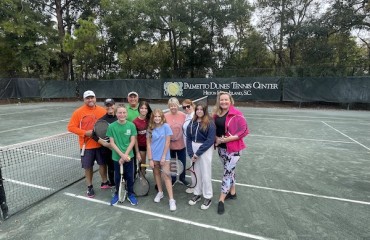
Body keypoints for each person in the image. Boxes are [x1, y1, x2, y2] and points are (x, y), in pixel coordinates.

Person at [213, 91, 249, 215]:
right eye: (221, 100)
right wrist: (216, 139)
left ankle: (221, 199)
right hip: (221, 149)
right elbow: (215, 130)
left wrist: (229, 138)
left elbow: (244, 130)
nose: (223, 102)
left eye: (226, 100)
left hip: (234, 149)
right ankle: (232, 192)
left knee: (227, 173)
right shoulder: (217, 114)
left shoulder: (237, 114)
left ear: (230, 101)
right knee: (229, 170)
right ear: (219, 101)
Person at [67, 90, 108, 198]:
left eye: (92, 97)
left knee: (103, 164)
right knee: (88, 167)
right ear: (84, 100)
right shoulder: (78, 112)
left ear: (95, 98)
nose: (90, 100)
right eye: (87, 98)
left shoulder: (102, 110)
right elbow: (71, 127)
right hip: (86, 146)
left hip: (101, 144)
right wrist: (85, 132)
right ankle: (89, 187)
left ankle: (104, 182)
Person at [186, 102, 216, 210]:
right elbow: (188, 138)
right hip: (193, 150)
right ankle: (197, 193)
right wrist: (191, 153)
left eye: (201, 109)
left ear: (205, 110)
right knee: (195, 173)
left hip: (205, 150)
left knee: (206, 173)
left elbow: (210, 140)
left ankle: (208, 196)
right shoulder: (192, 122)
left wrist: (197, 153)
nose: (199, 111)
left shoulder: (210, 122)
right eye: (197, 109)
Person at [106, 105, 138, 205]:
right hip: (116, 157)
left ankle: (131, 193)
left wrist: (125, 155)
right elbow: (112, 143)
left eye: (124, 112)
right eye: (120, 113)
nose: (122, 114)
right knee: (117, 177)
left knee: (129, 176)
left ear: (126, 114)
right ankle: (117, 193)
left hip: (129, 156)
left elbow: (133, 141)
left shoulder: (131, 125)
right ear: (116, 114)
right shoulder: (111, 126)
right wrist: (121, 155)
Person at [146, 109, 177, 211]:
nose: (157, 118)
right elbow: (149, 145)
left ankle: (171, 200)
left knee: (166, 176)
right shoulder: (150, 129)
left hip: (164, 156)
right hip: (154, 156)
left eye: (159, 116)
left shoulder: (166, 127)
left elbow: (167, 143)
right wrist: (150, 159)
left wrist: (163, 156)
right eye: (155, 116)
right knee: (156, 174)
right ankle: (160, 192)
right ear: (152, 118)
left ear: (162, 117)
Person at [92, 98, 117, 189]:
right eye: (107, 105)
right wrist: (106, 144)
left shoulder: (120, 117)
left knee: (121, 168)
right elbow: (94, 135)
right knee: (111, 168)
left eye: (111, 105)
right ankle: (113, 185)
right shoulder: (101, 120)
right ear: (105, 107)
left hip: (120, 149)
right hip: (107, 150)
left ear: (115, 105)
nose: (110, 107)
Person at [164, 97, 189, 186]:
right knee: (172, 162)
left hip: (182, 144)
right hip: (170, 146)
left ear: (178, 105)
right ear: (169, 106)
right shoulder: (165, 116)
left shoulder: (183, 115)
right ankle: (173, 179)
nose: (173, 107)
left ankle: (182, 178)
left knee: (182, 162)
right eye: (171, 106)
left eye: (174, 105)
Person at [133, 101, 152, 176]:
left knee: (154, 163)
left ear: (148, 110)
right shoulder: (135, 122)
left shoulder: (151, 119)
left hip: (151, 145)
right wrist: (137, 152)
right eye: (142, 108)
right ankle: (142, 177)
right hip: (141, 146)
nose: (143, 110)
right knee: (143, 164)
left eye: (145, 108)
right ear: (139, 109)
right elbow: (135, 139)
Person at [181, 99, 195, 194]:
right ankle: (195, 185)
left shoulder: (195, 116)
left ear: (192, 105)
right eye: (184, 107)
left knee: (194, 167)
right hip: (188, 146)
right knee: (193, 167)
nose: (186, 108)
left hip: (194, 147)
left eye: (188, 106)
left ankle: (195, 187)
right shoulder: (186, 116)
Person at [126, 91, 140, 176]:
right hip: (130, 140)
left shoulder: (142, 108)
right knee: (132, 160)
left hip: (142, 140)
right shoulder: (125, 110)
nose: (133, 99)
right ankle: (133, 176)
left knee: (142, 159)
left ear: (137, 98)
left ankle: (142, 174)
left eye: (134, 97)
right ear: (128, 99)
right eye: (131, 97)